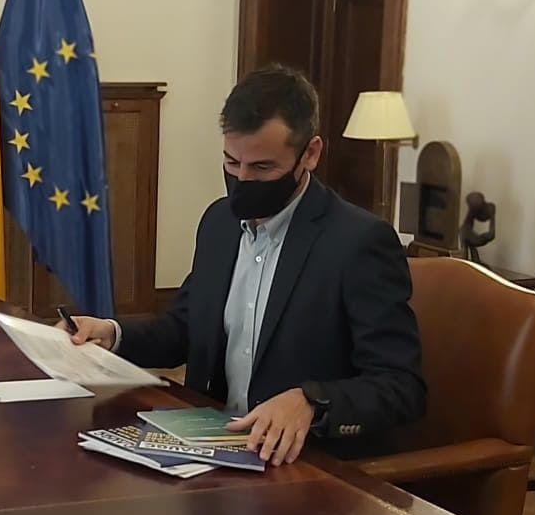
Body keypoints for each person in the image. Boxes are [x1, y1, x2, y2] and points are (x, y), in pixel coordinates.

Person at [63, 64, 424, 464]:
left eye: (262, 167)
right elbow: (185, 329)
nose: (243, 180)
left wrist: (312, 402)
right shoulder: (219, 223)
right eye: (232, 164)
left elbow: (400, 387)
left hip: (304, 465)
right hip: (210, 447)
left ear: (311, 154)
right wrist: (112, 335)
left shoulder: (358, 243)